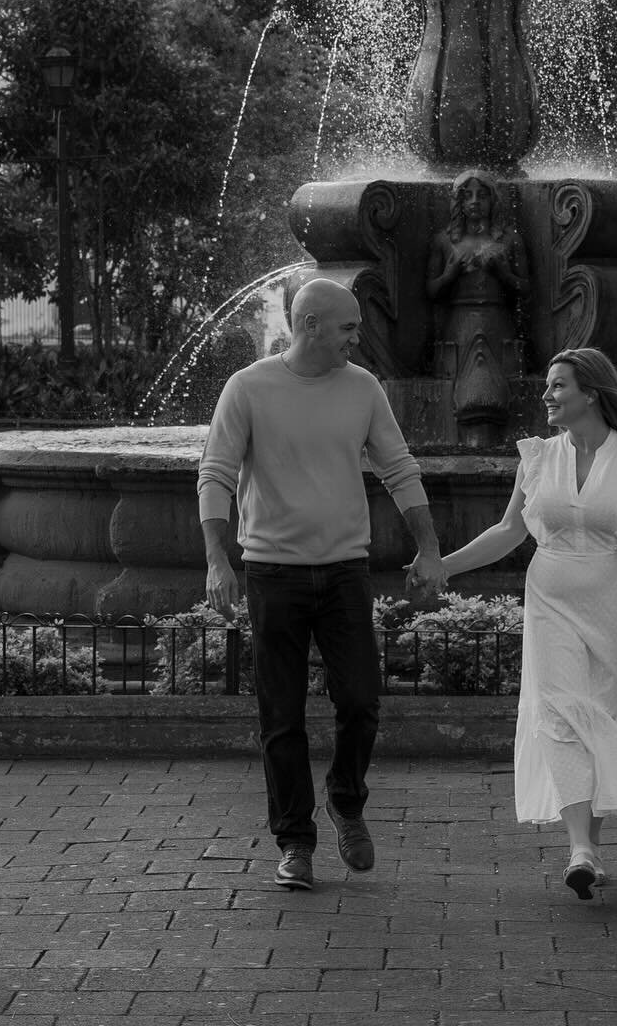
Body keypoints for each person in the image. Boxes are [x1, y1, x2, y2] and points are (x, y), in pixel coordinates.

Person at [425, 346, 617, 899]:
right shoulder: (537, 456)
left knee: (601, 716)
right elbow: (508, 530)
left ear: (591, 392)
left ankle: (591, 843)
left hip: (615, 604)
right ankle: (579, 849)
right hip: (551, 600)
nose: (546, 395)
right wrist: (444, 566)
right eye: (547, 385)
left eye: (558, 386)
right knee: (563, 713)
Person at [199, 277, 448, 891]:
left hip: (343, 573)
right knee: (280, 715)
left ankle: (346, 798)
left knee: (361, 700)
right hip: (272, 573)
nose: (357, 338)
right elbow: (216, 472)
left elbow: (399, 467)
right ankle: (295, 841)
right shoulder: (249, 387)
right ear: (310, 325)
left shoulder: (363, 389)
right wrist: (216, 558)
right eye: (348, 328)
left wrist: (430, 547)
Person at [426, 169, 529, 446]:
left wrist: (504, 273)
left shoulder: (510, 240)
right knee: (460, 382)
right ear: (457, 202)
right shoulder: (444, 241)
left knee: (500, 382)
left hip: (498, 320)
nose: (474, 201)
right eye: (467, 195)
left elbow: (526, 289)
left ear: (493, 201)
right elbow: (431, 290)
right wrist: (450, 274)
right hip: (459, 322)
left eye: (482, 195)